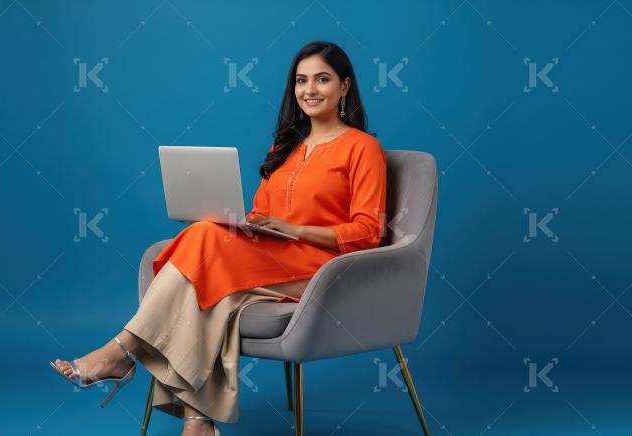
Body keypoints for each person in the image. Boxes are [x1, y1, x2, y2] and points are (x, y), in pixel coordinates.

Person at [50, 40, 387, 436]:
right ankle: (198, 422)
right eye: (301, 80)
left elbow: (369, 232)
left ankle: (121, 352)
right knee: (209, 283)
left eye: (322, 79)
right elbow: (264, 212)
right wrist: (248, 223)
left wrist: (297, 230)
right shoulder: (285, 145)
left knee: (203, 241)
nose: (309, 90)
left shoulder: (363, 148)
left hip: (320, 269)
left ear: (345, 86)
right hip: (270, 256)